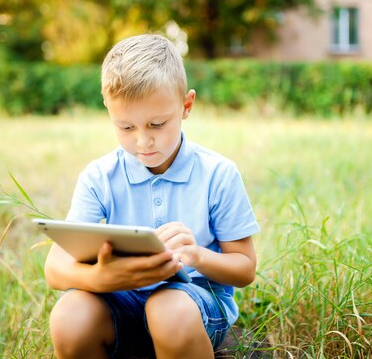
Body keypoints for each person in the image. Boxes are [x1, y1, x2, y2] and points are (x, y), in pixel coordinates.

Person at [44, 34, 260, 359]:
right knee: (69, 317)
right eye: (126, 128)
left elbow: (244, 269)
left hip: (193, 305)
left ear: (186, 105)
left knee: (167, 309)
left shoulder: (218, 174)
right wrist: (100, 277)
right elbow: (54, 269)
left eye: (157, 124)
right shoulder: (100, 175)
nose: (143, 141)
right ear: (109, 112)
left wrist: (197, 255)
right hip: (121, 298)